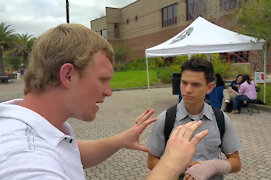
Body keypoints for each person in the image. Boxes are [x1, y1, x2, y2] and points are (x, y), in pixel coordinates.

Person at [0, 24, 208, 180]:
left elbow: (71, 153)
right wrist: (171, 164)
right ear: (68, 75)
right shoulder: (25, 160)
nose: (108, 92)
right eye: (102, 79)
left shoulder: (31, 126)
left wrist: (120, 140)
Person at [146, 57, 242, 180]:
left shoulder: (221, 119)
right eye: (184, 82)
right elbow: (151, 160)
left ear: (210, 87)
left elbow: (236, 163)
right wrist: (178, 171)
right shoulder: (165, 119)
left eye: (195, 84)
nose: (188, 90)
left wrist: (210, 167)